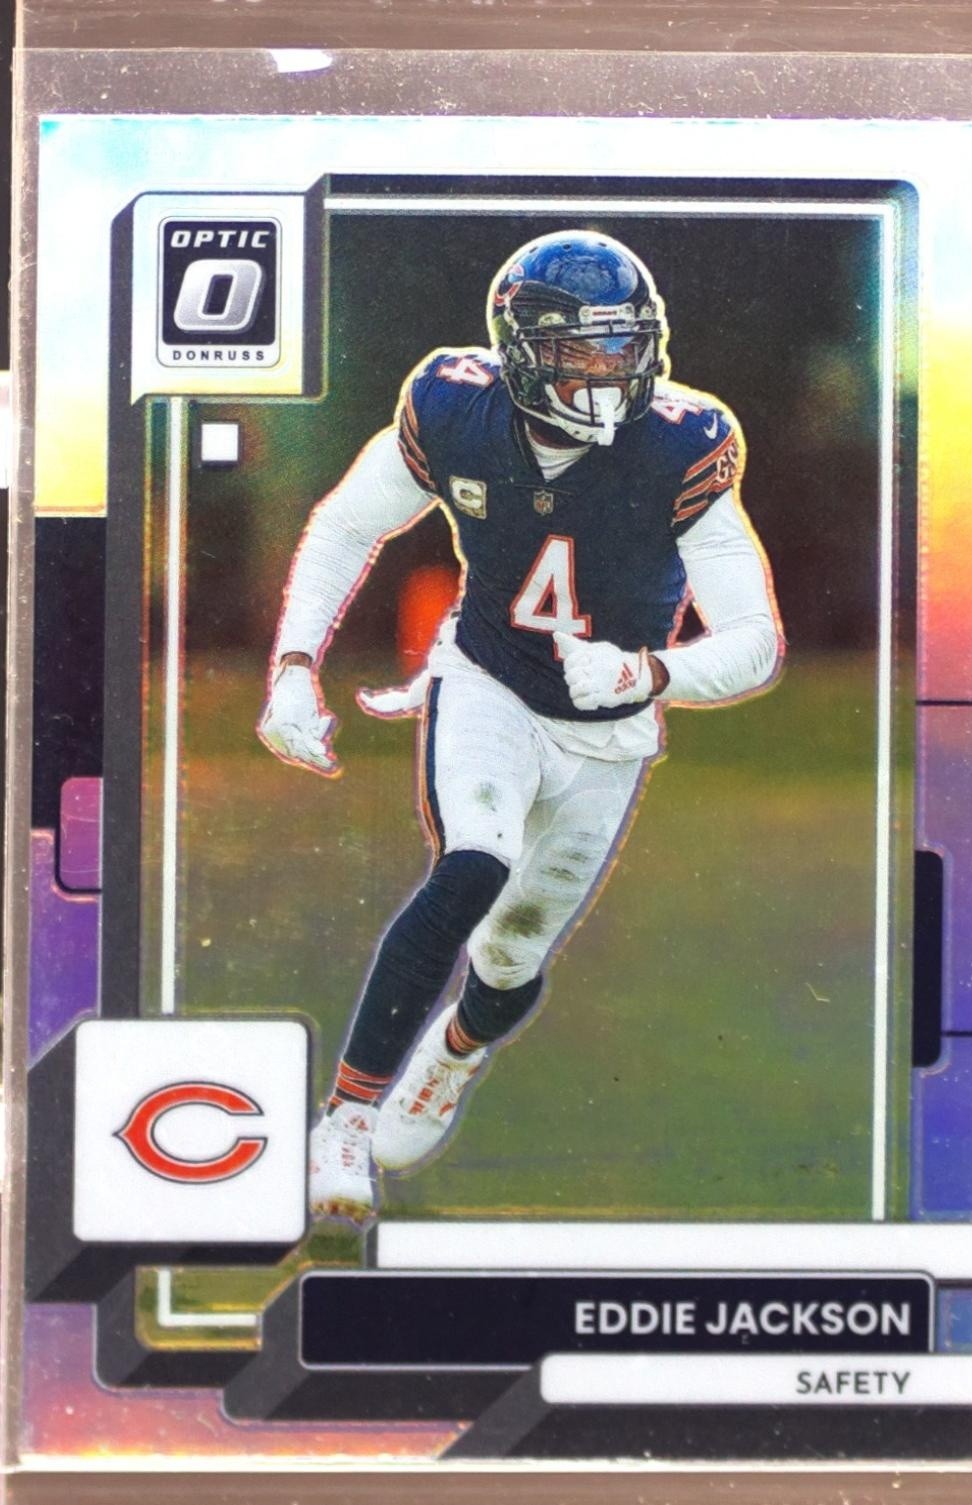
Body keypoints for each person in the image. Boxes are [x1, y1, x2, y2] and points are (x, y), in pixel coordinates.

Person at [259, 229, 784, 1225]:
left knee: (510, 954)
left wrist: (650, 670)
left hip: (608, 726)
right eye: (582, 347)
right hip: (489, 677)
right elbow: (346, 524)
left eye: (623, 344)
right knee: (475, 861)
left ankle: (453, 1053)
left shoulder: (682, 444)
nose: (609, 369)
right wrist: (292, 667)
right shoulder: (454, 410)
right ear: (523, 349)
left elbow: (753, 638)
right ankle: (346, 1119)